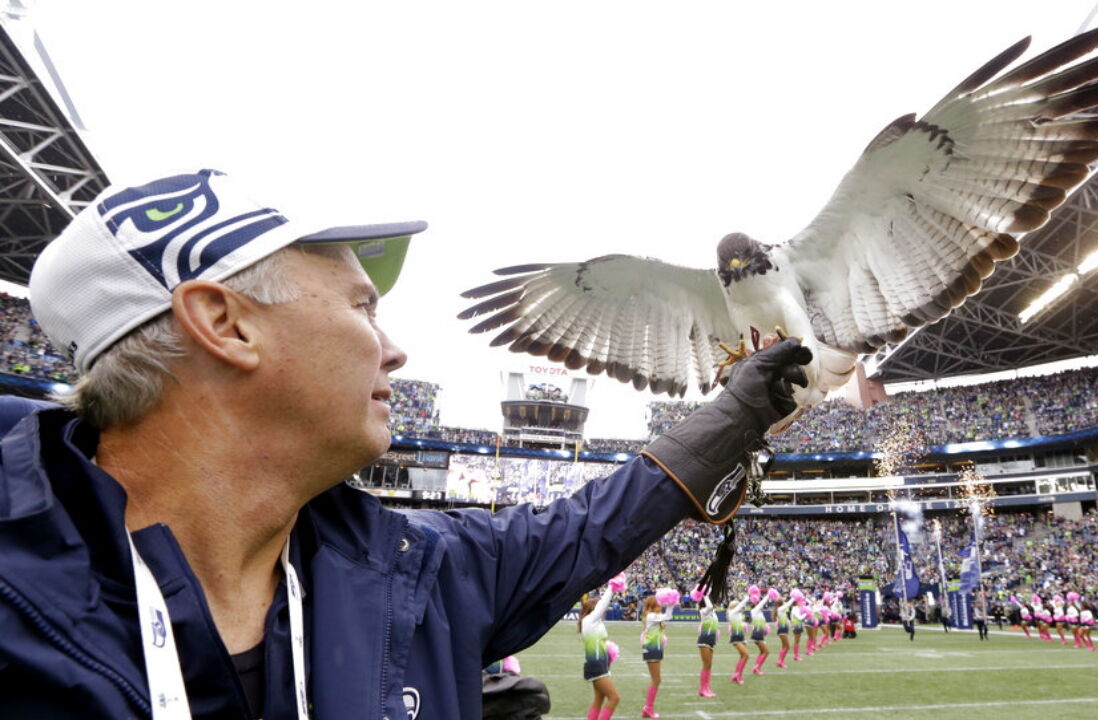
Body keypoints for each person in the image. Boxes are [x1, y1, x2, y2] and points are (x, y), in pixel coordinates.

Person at [0, 169, 815, 718]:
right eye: (362, 308)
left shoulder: (413, 569)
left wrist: (734, 418)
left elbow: (580, 532)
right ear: (224, 323)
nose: (394, 352)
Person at [580, 576, 625, 720]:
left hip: (600, 663)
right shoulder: (589, 621)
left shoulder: (594, 623)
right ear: (593, 609)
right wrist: (612, 587)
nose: (603, 612)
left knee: (599, 699)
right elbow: (603, 605)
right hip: (596, 664)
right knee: (614, 698)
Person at [639, 590, 677, 717]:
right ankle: (648, 707)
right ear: (654, 605)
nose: (661, 605)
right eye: (659, 603)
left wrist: (671, 603)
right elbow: (668, 616)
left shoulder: (653, 616)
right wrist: (671, 603)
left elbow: (666, 618)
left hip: (655, 648)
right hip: (652, 648)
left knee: (656, 679)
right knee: (656, 679)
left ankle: (647, 708)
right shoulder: (651, 616)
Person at [693, 589, 718, 698]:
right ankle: (703, 689)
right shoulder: (703, 611)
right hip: (704, 640)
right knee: (706, 665)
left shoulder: (713, 613)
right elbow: (710, 607)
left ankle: (706, 688)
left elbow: (712, 608)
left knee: (709, 665)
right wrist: (705, 594)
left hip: (711, 640)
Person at [726, 592, 751, 685]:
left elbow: (741, 624)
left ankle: (735, 676)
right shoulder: (732, 613)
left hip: (741, 636)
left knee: (742, 656)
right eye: (737, 606)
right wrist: (747, 597)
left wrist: (745, 624)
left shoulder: (738, 615)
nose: (741, 608)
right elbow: (741, 605)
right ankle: (738, 677)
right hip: (735, 637)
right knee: (746, 655)